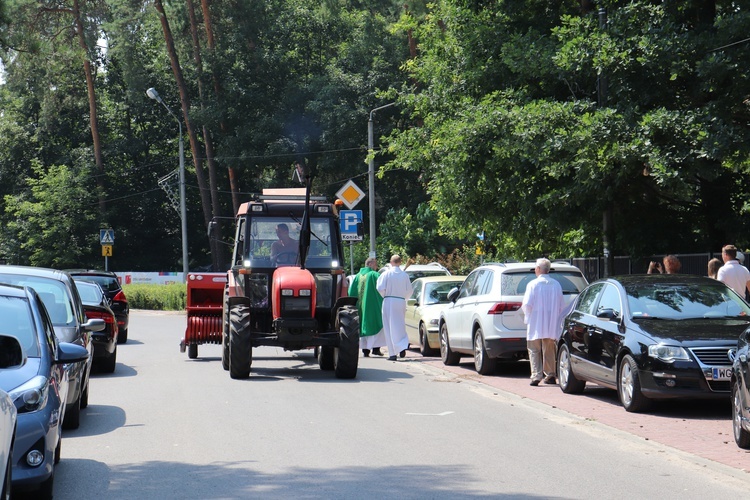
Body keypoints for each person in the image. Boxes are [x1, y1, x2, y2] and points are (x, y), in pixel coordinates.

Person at [521, 258, 565, 386]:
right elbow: (561, 305)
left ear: (539, 269)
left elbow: (527, 304)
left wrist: (527, 316)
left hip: (536, 320)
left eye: (535, 267)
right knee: (549, 348)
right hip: (551, 321)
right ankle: (550, 374)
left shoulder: (533, 284)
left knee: (534, 348)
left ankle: (536, 375)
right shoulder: (556, 284)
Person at [376, 254, 412, 361]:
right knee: (400, 325)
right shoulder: (404, 275)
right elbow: (409, 291)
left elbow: (380, 287)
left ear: (391, 262)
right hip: (400, 301)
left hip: (389, 300)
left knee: (389, 326)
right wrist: (403, 299)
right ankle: (401, 346)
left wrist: (386, 295)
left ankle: (392, 354)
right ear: (400, 262)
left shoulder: (386, 274)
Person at [348, 258, 386, 357]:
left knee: (363, 327)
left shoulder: (357, 277)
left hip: (361, 308)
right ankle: (376, 349)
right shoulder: (374, 275)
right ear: (370, 264)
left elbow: (351, 292)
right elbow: (384, 286)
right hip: (373, 307)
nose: (376, 267)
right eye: (375, 264)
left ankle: (365, 351)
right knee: (376, 326)